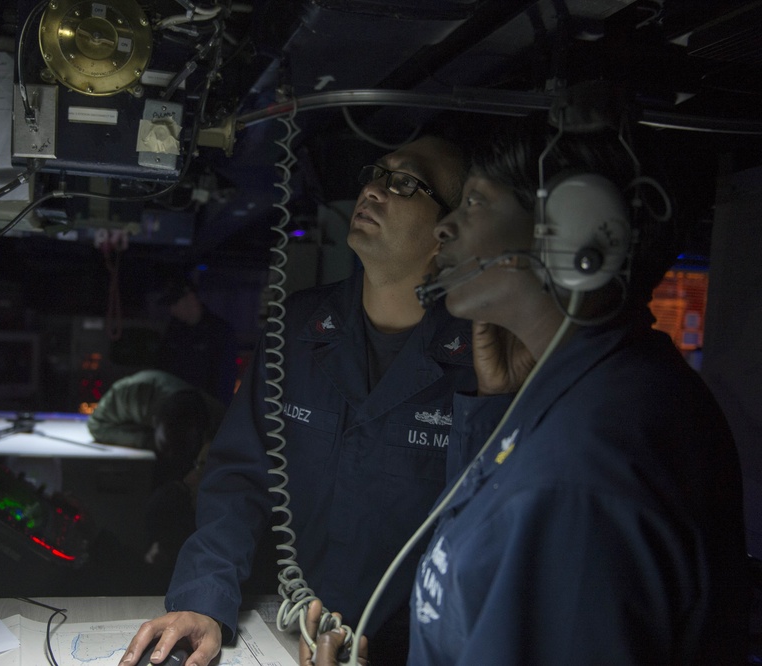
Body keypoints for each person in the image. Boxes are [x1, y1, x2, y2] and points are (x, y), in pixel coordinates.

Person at [305, 104, 748, 664]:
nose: (446, 228)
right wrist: (494, 410)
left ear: (577, 235)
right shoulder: (586, 391)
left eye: (475, 203)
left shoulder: (586, 468)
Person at [120, 135, 503, 666]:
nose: (372, 189)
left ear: (451, 232)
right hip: (279, 629)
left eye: (405, 183)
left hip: (409, 649)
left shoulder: (485, 364)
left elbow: (488, 529)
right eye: (376, 172)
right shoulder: (297, 329)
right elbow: (238, 480)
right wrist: (204, 601)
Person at [87, 369, 227, 572]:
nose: (170, 455)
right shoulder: (136, 393)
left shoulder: (220, 423)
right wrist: (145, 442)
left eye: (180, 448)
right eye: (166, 445)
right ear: (154, 422)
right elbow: (97, 425)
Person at [155, 277, 239, 405]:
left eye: (175, 303)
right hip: (176, 406)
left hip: (205, 409)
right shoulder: (174, 330)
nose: (171, 310)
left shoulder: (219, 332)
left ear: (190, 298)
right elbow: (162, 367)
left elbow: (224, 380)